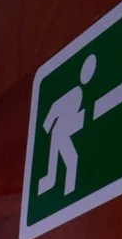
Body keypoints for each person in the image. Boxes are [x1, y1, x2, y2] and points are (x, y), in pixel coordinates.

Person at [39, 55, 98, 195]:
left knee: (65, 163)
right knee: (70, 161)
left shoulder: (84, 95)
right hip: (59, 132)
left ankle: (63, 188)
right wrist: (47, 126)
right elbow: (55, 107)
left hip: (62, 132)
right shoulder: (75, 92)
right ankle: (66, 189)